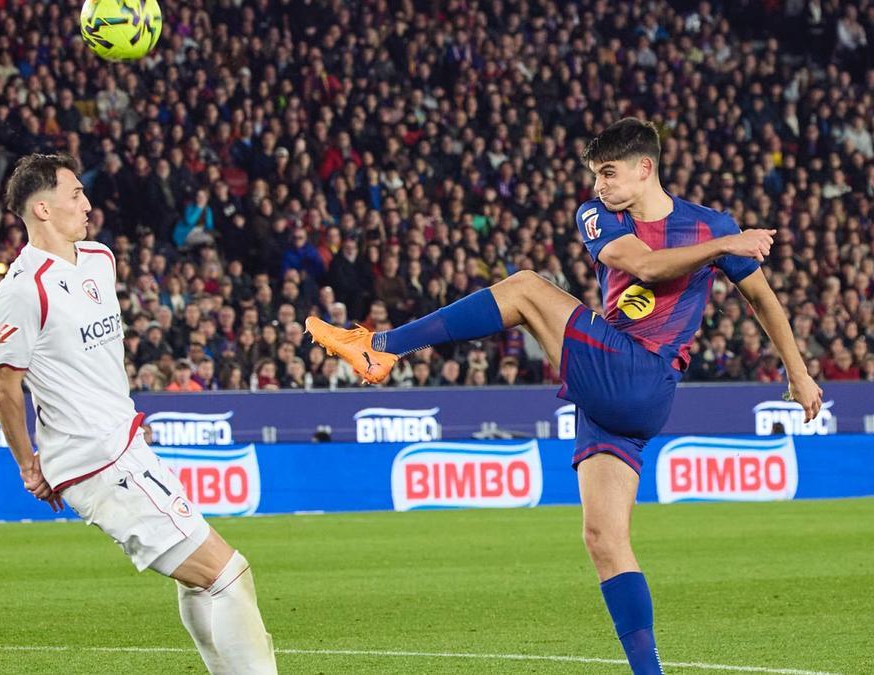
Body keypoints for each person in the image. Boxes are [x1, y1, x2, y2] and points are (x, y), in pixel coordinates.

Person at [306, 118, 824, 675]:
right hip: (614, 386)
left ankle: (381, 347)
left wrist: (799, 373)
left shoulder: (706, 224)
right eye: (595, 174)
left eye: (609, 172)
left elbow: (763, 300)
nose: (599, 185)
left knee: (527, 287)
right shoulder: (602, 216)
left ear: (644, 167)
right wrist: (727, 244)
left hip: (642, 374)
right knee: (603, 538)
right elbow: (644, 265)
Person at [0, 154, 275, 674]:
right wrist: (29, 463)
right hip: (98, 461)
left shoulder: (98, 259)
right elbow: (5, 385)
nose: (87, 203)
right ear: (43, 208)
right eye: (76, 194)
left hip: (128, 445)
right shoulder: (21, 289)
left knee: (202, 579)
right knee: (228, 574)